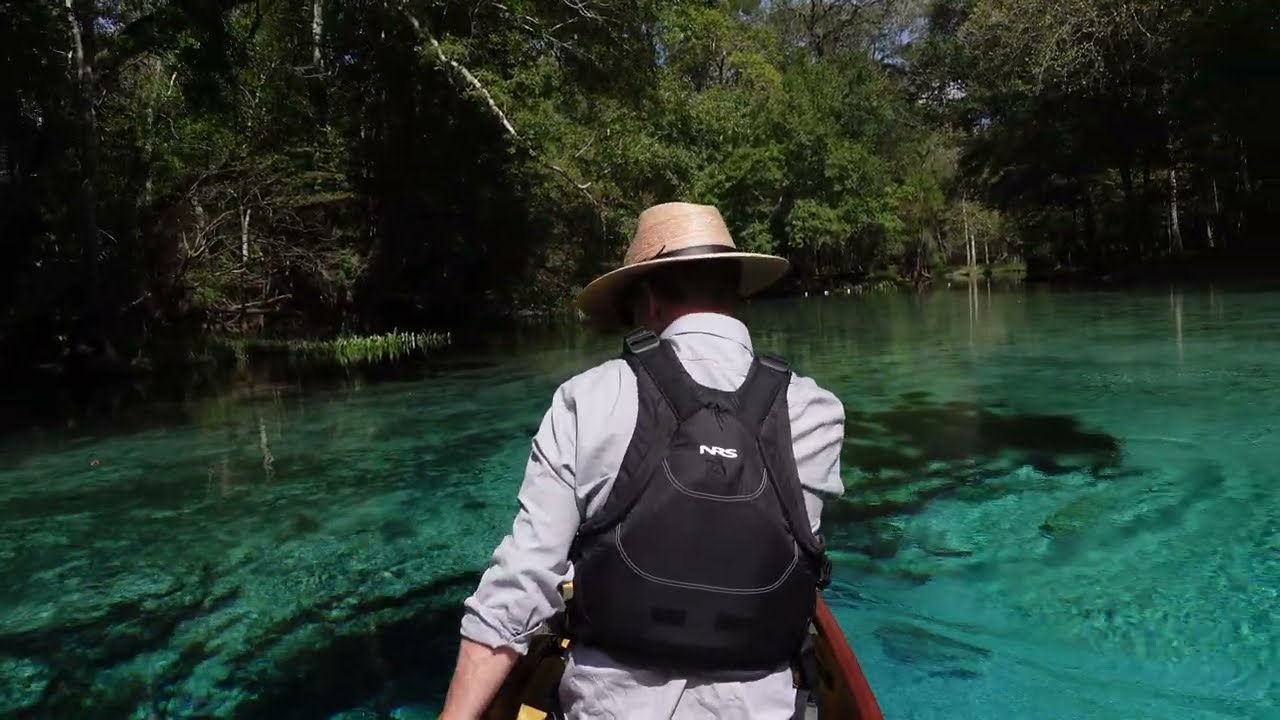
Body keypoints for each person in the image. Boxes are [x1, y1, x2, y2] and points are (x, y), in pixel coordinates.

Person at [438, 201, 846, 720]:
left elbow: (520, 583)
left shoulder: (585, 399)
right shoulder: (817, 412)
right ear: (735, 294)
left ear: (649, 300)